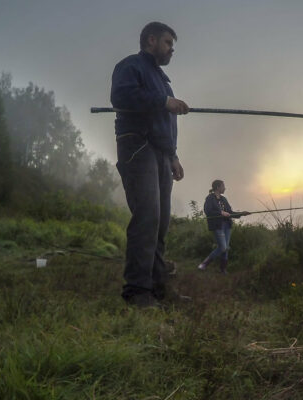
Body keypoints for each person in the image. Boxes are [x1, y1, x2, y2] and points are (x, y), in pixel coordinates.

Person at [111, 21, 190, 308]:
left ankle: (158, 288)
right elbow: (120, 97)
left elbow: (165, 123)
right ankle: (136, 292)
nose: (171, 50)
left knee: (161, 222)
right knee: (147, 217)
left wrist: (173, 156)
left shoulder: (162, 79)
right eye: (168, 43)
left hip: (160, 153)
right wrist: (163, 101)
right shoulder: (131, 66)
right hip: (137, 147)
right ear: (152, 40)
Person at [199, 180, 249, 273]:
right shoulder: (210, 198)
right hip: (218, 226)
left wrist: (242, 213)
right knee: (223, 247)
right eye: (223, 186)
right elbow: (208, 211)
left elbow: (230, 213)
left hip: (227, 225)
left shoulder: (224, 199)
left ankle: (223, 269)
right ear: (218, 187)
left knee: (226, 248)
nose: (225, 188)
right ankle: (204, 264)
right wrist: (221, 212)